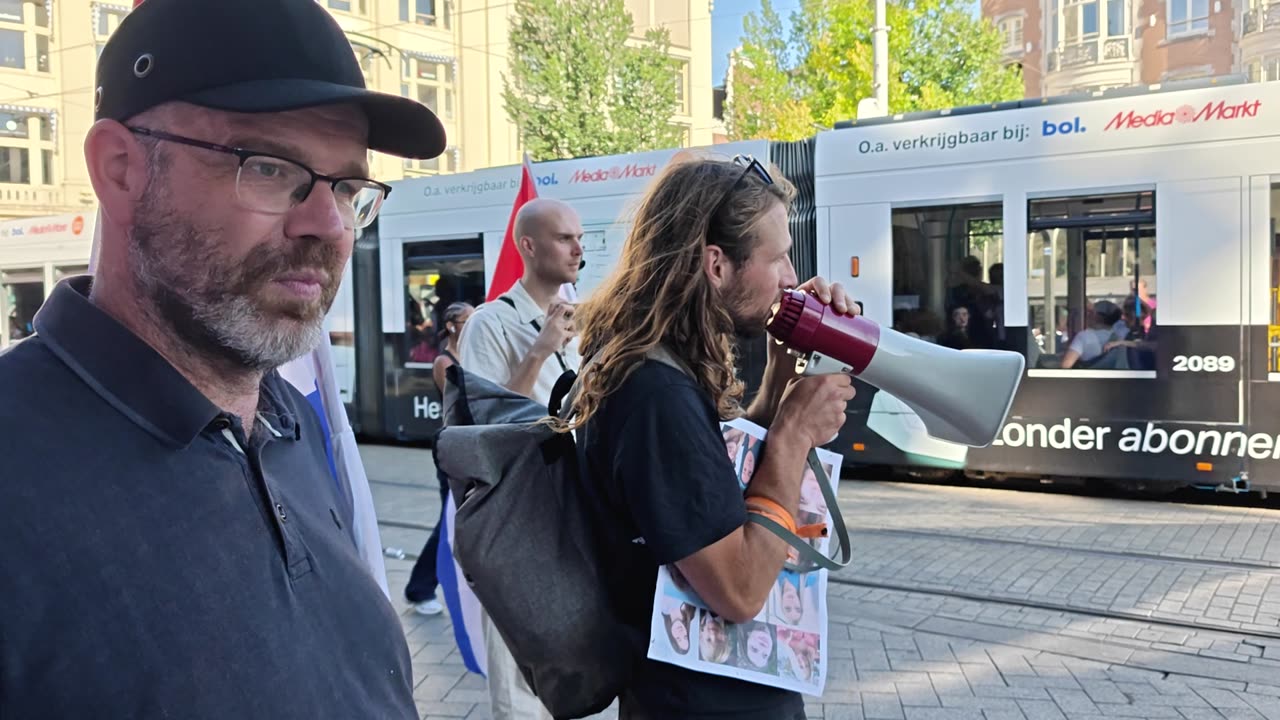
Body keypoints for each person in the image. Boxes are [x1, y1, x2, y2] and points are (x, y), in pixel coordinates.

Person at [0, 0, 446, 717]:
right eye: (270, 168)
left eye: (348, 188)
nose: (328, 226)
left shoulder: (291, 424)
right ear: (120, 170)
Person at [562, 155, 858, 719]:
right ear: (716, 265)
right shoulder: (655, 396)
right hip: (704, 702)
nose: (792, 277)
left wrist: (779, 379)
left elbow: (710, 497)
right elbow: (739, 591)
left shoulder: (650, 369)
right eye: (779, 258)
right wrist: (793, 435)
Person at [455, 196, 583, 719]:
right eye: (564, 238)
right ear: (528, 247)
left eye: (579, 237)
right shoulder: (490, 323)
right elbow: (480, 428)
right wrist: (539, 349)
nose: (578, 248)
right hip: (518, 517)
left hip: (570, 509)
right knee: (517, 674)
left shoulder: (578, 317)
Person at [405, 301, 474, 615]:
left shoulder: (470, 354)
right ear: (451, 326)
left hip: (468, 443)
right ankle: (419, 588)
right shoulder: (444, 362)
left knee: (458, 519)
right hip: (452, 445)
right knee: (451, 520)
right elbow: (462, 403)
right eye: (468, 320)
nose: (474, 324)